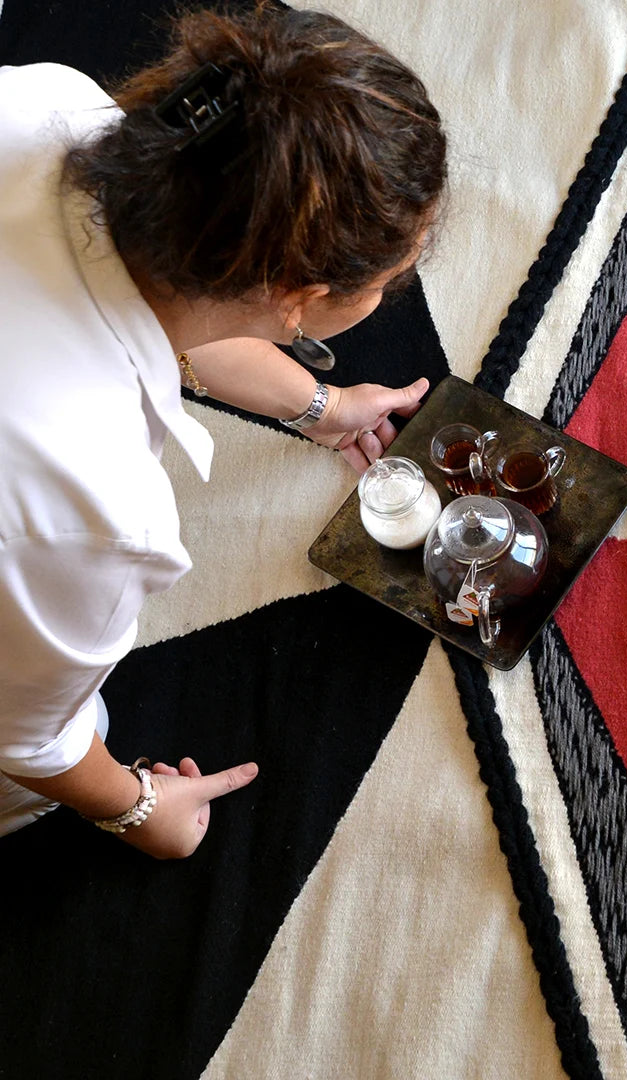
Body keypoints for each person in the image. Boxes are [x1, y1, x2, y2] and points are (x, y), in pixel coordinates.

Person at [0, 5, 447, 856]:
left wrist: (322, 406)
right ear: (298, 300)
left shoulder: (51, 107)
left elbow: (168, 305)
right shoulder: (95, 509)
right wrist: (135, 809)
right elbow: (23, 734)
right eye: (393, 277)